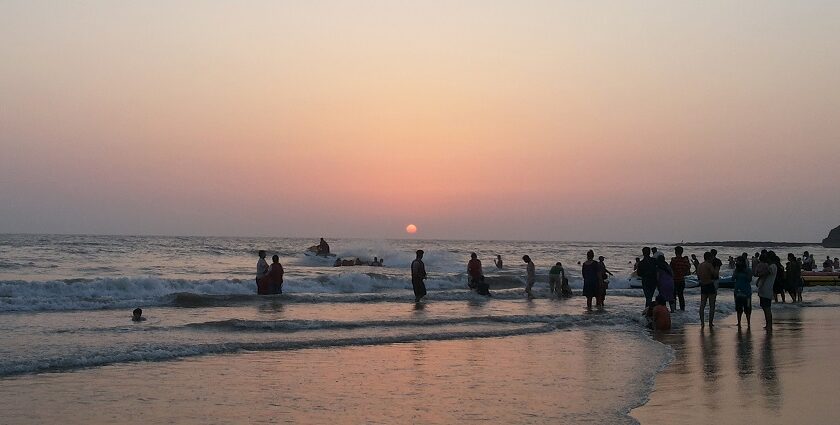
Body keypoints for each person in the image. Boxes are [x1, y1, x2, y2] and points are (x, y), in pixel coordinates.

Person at [697, 251, 719, 327]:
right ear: (709, 258)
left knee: (702, 304)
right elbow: (715, 274)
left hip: (703, 285)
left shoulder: (700, 265)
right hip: (709, 284)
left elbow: (698, 276)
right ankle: (710, 322)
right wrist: (716, 268)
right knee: (712, 305)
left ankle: (702, 322)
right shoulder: (709, 265)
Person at [755, 252, 776, 330]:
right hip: (764, 290)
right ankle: (768, 324)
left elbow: (763, 273)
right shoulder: (770, 266)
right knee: (765, 308)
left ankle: (769, 325)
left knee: (767, 308)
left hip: (767, 290)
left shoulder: (773, 266)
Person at [732, 257, 752, 328]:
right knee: (738, 309)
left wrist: (743, 271)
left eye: (738, 261)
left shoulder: (748, 270)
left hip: (746, 292)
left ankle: (748, 323)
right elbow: (732, 278)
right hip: (738, 292)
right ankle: (739, 322)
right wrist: (737, 271)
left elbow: (750, 279)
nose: (737, 263)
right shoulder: (736, 270)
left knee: (748, 309)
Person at [670, 246, 691, 311]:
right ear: (682, 252)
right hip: (682, 280)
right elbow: (688, 270)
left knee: (673, 296)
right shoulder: (684, 261)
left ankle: (673, 310)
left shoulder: (673, 260)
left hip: (674, 280)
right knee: (681, 295)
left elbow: (670, 270)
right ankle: (682, 310)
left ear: (675, 252)